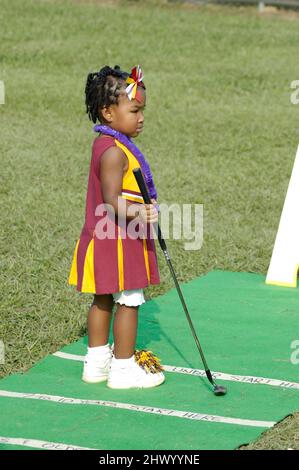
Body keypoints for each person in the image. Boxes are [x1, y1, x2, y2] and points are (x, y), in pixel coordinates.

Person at [68, 64, 165, 389]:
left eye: (142, 110)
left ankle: (96, 364)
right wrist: (141, 212)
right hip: (120, 240)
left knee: (103, 298)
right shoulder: (113, 152)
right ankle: (123, 369)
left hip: (104, 238)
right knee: (129, 299)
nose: (141, 117)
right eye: (134, 109)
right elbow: (112, 200)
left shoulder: (106, 144)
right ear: (108, 112)